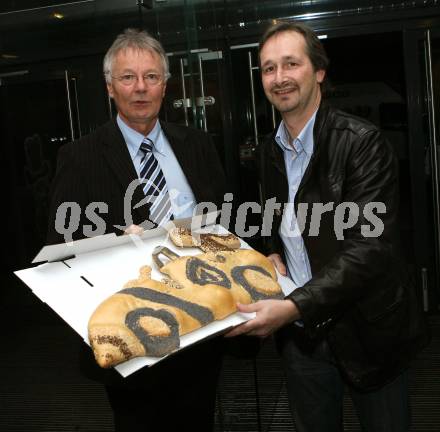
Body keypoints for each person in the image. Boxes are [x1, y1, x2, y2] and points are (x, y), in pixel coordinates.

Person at [226, 21, 429, 431]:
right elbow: (278, 221)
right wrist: (274, 252)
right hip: (302, 338)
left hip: (368, 330)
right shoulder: (268, 151)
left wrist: (293, 305)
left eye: (290, 64)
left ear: (318, 71)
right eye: (268, 68)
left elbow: (368, 249)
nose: (279, 78)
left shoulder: (362, 142)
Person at [47, 28, 226, 431]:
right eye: (128, 77)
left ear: (165, 84)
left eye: (151, 76)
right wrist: (111, 246)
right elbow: (60, 249)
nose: (140, 88)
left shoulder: (197, 144)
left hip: (201, 329)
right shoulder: (79, 157)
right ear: (110, 87)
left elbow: (224, 224)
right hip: (133, 337)